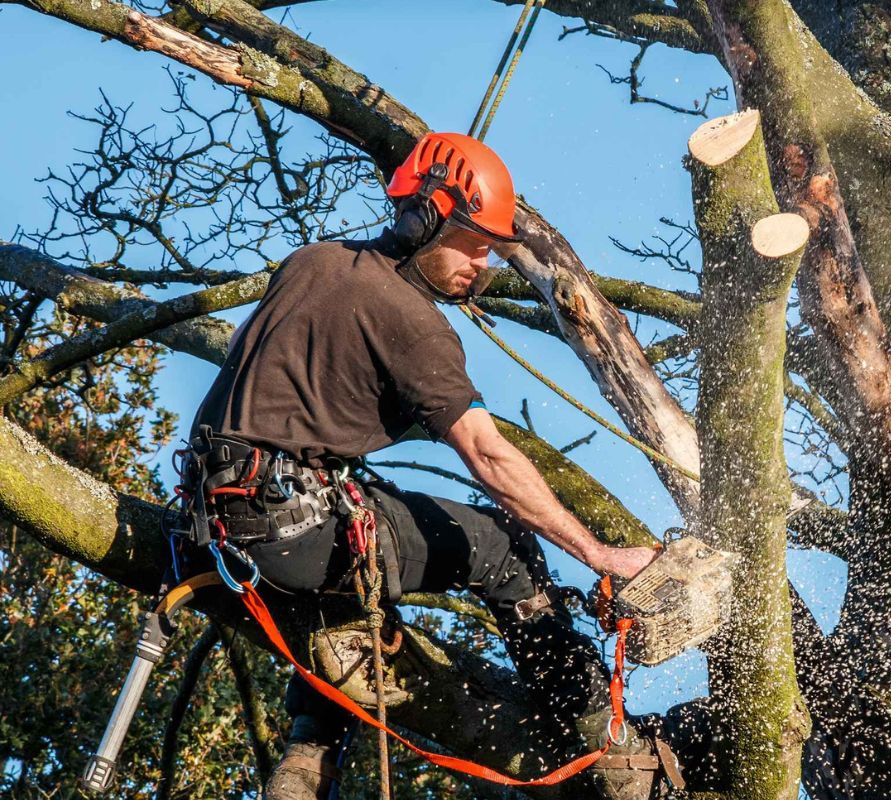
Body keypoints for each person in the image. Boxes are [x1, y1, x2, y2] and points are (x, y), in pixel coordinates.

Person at [187, 132, 680, 799]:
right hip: (291, 530)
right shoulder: (413, 323)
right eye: (474, 244)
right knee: (504, 548)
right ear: (427, 219)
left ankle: (308, 756)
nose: (482, 264)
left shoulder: (312, 262)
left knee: (366, 535)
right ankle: (602, 742)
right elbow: (486, 452)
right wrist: (599, 555)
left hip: (208, 521)